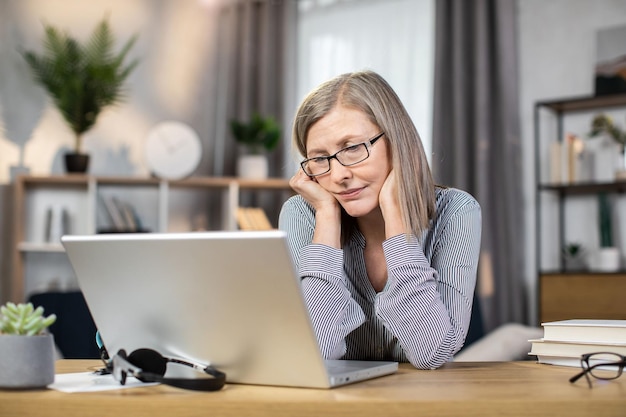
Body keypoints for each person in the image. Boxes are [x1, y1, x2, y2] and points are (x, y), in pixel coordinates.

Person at [278, 70, 482, 369]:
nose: (338, 176)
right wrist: (327, 220)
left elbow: (433, 352)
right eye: (320, 158)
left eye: (352, 148)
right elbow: (313, 352)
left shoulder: (456, 210)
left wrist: (396, 221)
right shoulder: (302, 214)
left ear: (397, 143)